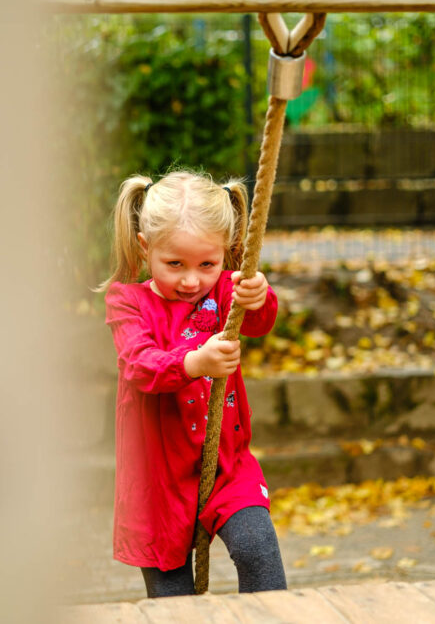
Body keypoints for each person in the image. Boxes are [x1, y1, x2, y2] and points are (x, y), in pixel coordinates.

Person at [98, 170, 287, 597]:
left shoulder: (223, 291)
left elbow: (257, 321)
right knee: (172, 598)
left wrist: (258, 295)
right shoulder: (127, 302)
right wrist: (194, 362)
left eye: (207, 264)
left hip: (225, 466)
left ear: (226, 252)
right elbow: (139, 365)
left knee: (258, 549)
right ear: (146, 248)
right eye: (174, 264)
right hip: (157, 485)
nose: (191, 280)